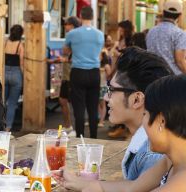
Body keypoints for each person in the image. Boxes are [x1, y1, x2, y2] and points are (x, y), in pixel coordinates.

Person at [52, 47, 171, 191]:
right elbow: (133, 187)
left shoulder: (153, 152)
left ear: (137, 99)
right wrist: (80, 183)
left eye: (111, 90)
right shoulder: (149, 145)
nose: (106, 97)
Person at [65, 6, 104, 138]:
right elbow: (99, 52)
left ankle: (80, 137)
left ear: (80, 16)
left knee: (79, 108)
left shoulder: (72, 34)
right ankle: (94, 137)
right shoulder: (100, 34)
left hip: (78, 72)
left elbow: (65, 51)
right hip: (94, 72)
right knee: (93, 108)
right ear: (93, 17)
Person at [53, 16, 81, 134]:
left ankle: (74, 129)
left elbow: (68, 53)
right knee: (63, 100)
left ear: (73, 25)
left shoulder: (74, 38)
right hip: (67, 75)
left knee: (71, 102)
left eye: (67, 24)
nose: (65, 26)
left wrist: (65, 58)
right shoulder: (73, 37)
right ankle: (69, 126)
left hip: (72, 75)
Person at [108, 20, 135, 138]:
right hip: (119, 70)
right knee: (117, 98)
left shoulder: (131, 40)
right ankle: (121, 127)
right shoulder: (120, 40)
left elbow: (131, 56)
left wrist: (118, 54)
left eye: (121, 28)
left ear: (125, 29)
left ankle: (125, 129)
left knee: (125, 99)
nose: (119, 30)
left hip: (126, 72)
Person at [147, 0, 186, 74]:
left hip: (152, 76)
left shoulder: (151, 31)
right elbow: (180, 62)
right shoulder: (179, 33)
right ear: (180, 15)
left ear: (163, 13)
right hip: (172, 79)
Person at [4, 24, 24, 132]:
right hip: (16, 74)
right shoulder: (20, 45)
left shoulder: (5, 42)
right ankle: (8, 128)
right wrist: (23, 77)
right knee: (12, 103)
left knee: (2, 101)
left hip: (4, 72)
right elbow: (21, 64)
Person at [98, 34, 113, 128]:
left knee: (102, 104)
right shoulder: (97, 65)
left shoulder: (106, 66)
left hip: (103, 86)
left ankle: (102, 120)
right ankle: (99, 119)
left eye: (99, 55)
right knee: (97, 103)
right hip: (97, 85)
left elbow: (109, 75)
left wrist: (105, 73)